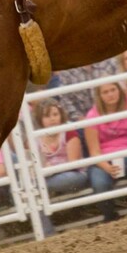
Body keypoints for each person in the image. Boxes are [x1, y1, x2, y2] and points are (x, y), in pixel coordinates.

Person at [83, 83, 127, 221]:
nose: (110, 94)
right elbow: (94, 151)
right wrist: (108, 167)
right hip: (103, 159)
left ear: (119, 90)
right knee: (99, 183)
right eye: (105, 92)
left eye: (113, 89)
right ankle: (111, 219)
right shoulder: (92, 116)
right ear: (99, 96)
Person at [32, 100, 88, 235]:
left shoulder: (68, 132)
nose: (52, 119)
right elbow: (37, 163)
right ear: (40, 119)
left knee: (34, 188)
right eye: (47, 116)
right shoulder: (36, 137)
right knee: (33, 189)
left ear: (61, 115)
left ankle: (47, 233)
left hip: (74, 175)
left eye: (55, 114)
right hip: (49, 177)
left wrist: (51, 169)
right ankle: (47, 232)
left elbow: (73, 164)